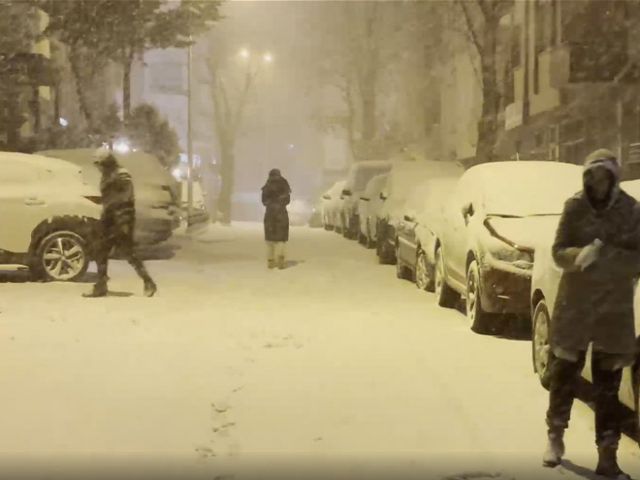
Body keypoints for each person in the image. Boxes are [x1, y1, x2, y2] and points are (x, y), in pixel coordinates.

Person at [543, 148, 640, 479]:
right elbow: (557, 252)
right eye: (592, 177)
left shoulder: (632, 211)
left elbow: (638, 259)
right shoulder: (574, 207)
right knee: (563, 377)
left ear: (613, 178)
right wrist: (579, 255)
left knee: (607, 389)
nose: (598, 184)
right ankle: (555, 437)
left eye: (604, 177)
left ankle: (607, 456)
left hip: (614, 312)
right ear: (586, 178)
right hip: (576, 309)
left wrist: (605, 257)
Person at [84, 152, 157, 298]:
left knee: (128, 253)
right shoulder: (107, 175)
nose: (97, 168)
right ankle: (101, 284)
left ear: (106, 163)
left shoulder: (121, 174)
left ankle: (148, 282)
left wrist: (121, 219)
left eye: (99, 164)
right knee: (100, 250)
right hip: (109, 219)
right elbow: (109, 197)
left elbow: (125, 196)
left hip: (122, 219)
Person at [261, 168, 291, 269]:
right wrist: (280, 203)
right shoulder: (284, 184)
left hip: (270, 214)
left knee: (270, 240)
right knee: (281, 239)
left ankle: (271, 260)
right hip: (281, 214)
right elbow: (287, 200)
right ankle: (281, 259)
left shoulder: (267, 185)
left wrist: (271, 204)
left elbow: (264, 201)